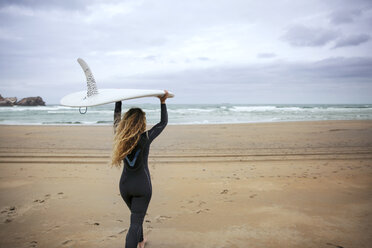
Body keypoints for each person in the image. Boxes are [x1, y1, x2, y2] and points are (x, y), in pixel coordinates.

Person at [112, 90, 169, 248]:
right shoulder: (145, 138)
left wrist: (118, 101)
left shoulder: (120, 137)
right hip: (142, 186)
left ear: (126, 121)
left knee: (136, 217)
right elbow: (163, 123)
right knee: (135, 222)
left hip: (125, 186)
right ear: (141, 122)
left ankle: (140, 241)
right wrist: (162, 102)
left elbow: (116, 118)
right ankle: (136, 240)